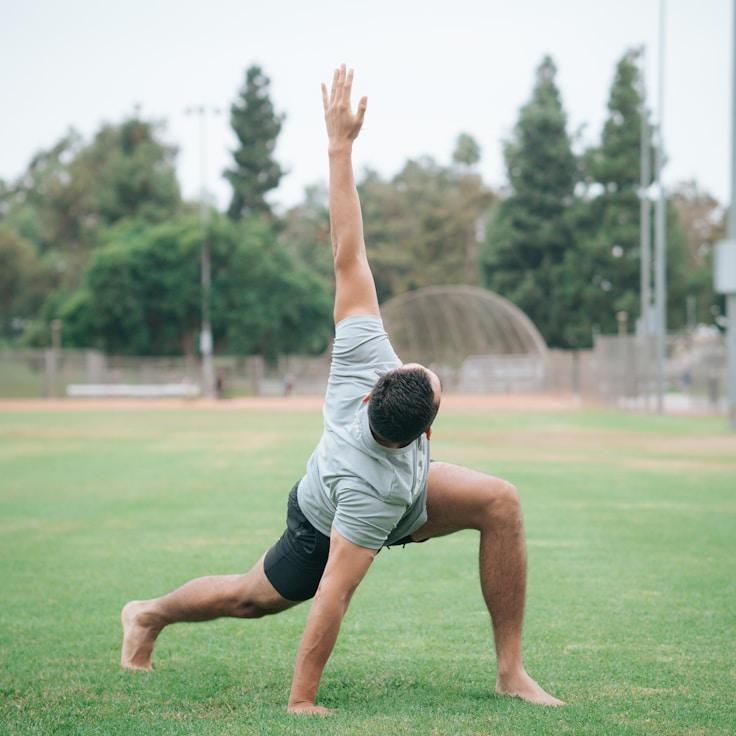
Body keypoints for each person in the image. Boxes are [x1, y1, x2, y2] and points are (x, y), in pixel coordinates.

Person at [120, 64, 563, 714]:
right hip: (327, 515)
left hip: (402, 495)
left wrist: (339, 146)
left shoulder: (365, 356)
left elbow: (349, 254)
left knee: (500, 502)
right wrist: (302, 701)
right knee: (251, 597)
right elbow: (334, 592)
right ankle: (149, 614)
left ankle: (511, 671)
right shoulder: (369, 489)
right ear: (421, 426)